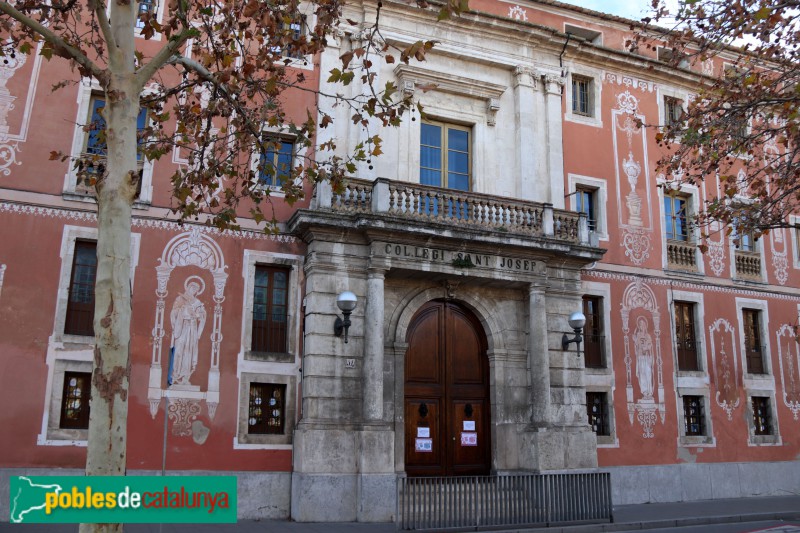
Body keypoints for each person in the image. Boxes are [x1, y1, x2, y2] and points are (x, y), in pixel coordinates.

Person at [170, 280, 206, 385]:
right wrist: (182, 310)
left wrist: (195, 314)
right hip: (181, 327)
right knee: (179, 350)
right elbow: (173, 313)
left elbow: (201, 317)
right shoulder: (180, 299)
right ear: (188, 287)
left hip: (192, 329)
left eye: (196, 289)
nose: (193, 290)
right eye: (192, 288)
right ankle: (175, 374)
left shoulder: (197, 302)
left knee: (189, 352)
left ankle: (185, 376)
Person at [633, 316, 654, 400]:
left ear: (645, 325)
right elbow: (636, 345)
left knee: (648, 373)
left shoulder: (648, 336)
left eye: (643, 324)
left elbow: (650, 345)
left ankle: (649, 391)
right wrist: (635, 340)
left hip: (647, 357)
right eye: (640, 325)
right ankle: (644, 392)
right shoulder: (638, 335)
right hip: (640, 357)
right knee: (642, 374)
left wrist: (646, 348)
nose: (641, 326)